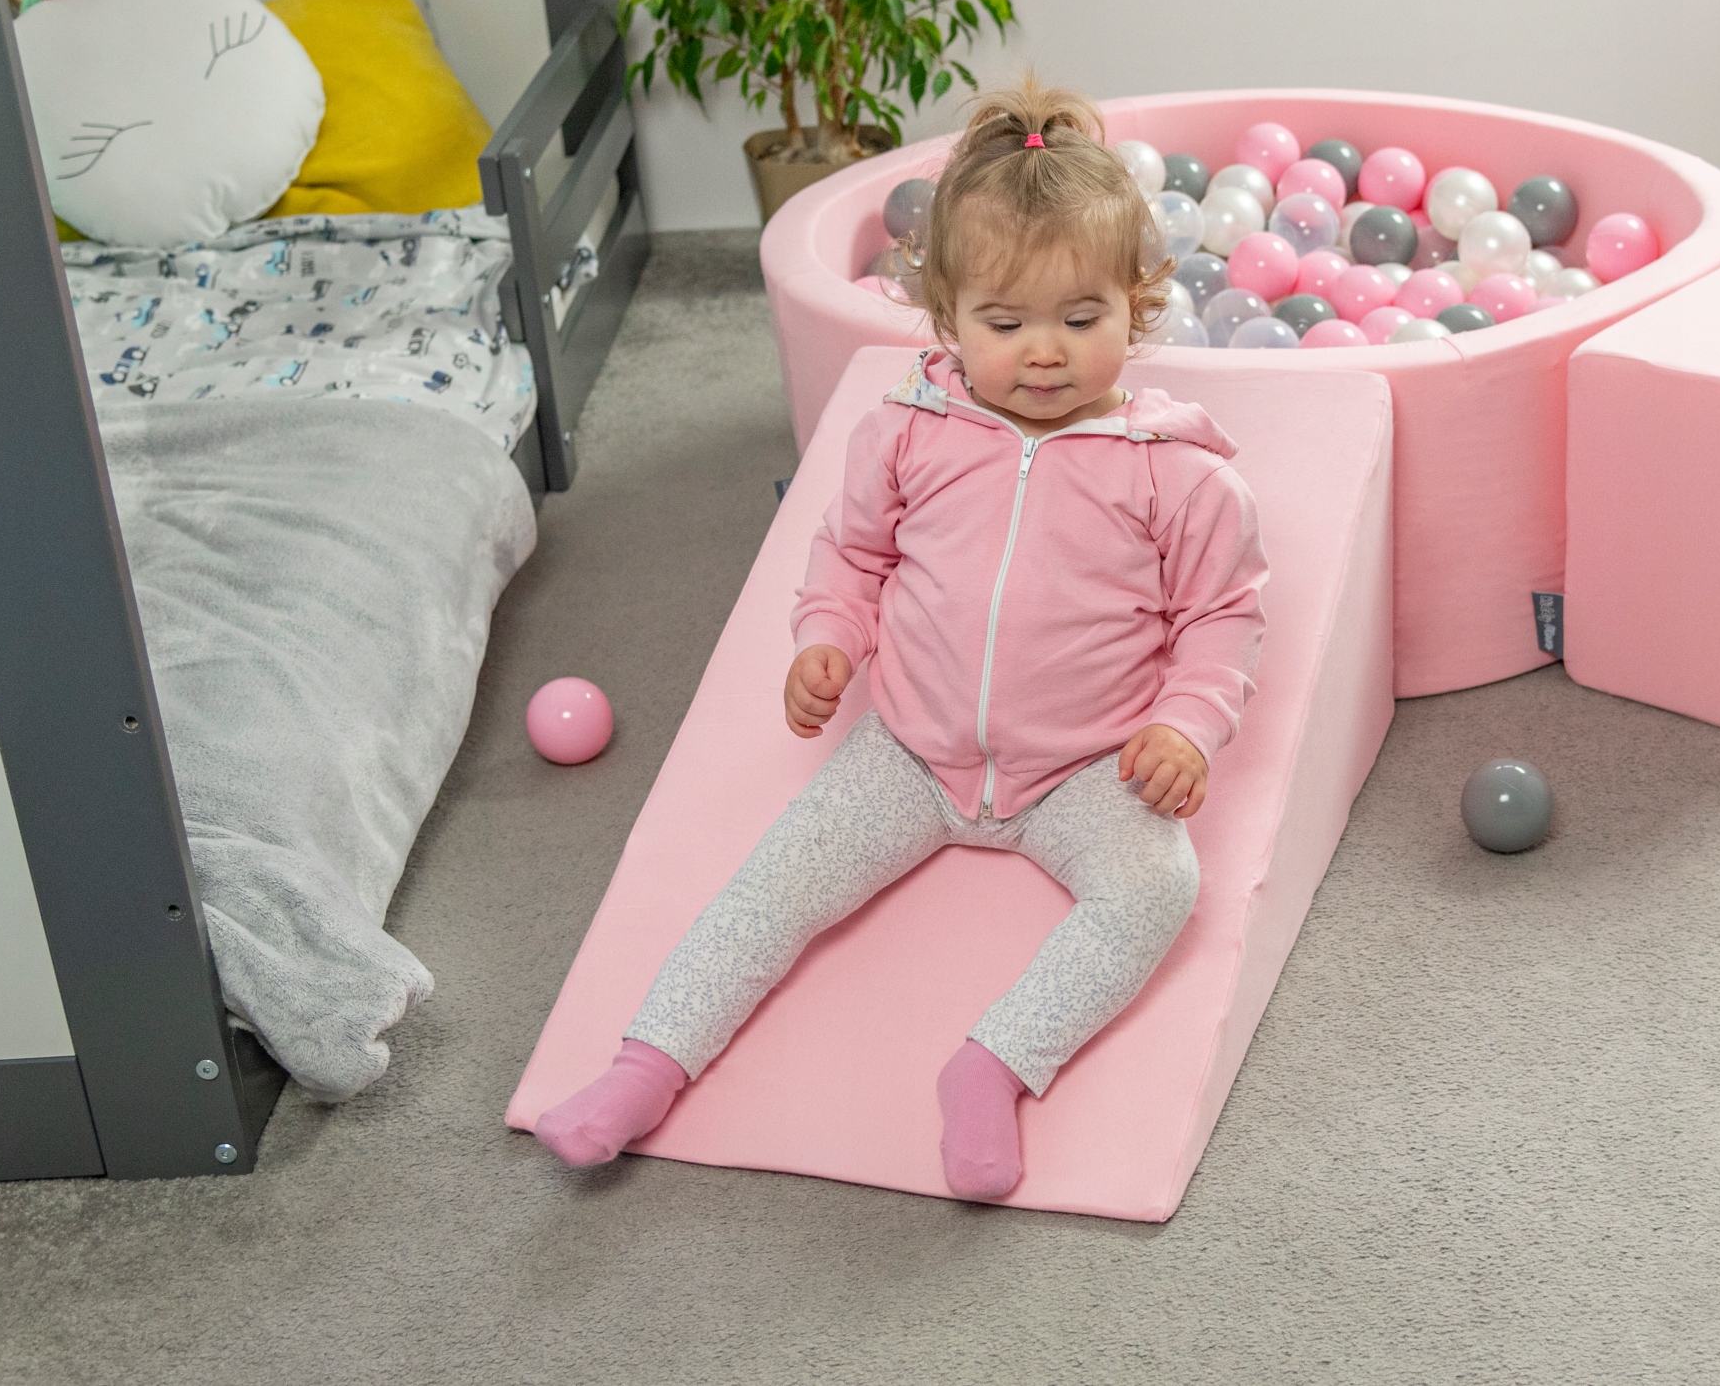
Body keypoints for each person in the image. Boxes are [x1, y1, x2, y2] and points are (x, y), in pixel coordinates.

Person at [535, 80, 1268, 1199]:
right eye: (1004, 323)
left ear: (1137, 305)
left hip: (1084, 768)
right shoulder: (905, 433)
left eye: (1082, 320)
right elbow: (852, 551)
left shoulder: (1178, 472)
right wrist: (827, 636)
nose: (1043, 352)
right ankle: (643, 1066)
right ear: (947, 318)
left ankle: (994, 1064)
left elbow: (1221, 616)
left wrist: (1184, 726)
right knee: (772, 884)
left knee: (1160, 886)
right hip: (911, 752)